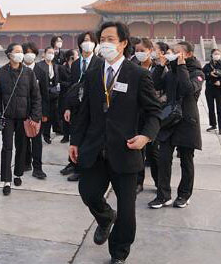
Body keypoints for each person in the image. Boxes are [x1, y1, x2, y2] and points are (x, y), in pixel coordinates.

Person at [69, 22, 161, 264]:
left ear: (123, 43)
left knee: (128, 213)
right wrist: (75, 141)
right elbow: (85, 112)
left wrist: (146, 136)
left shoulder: (138, 75)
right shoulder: (92, 74)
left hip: (125, 150)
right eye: (103, 39)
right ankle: (106, 216)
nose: (105, 44)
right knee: (88, 193)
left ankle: (118, 254)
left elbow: (154, 112)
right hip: (95, 149)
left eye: (111, 39)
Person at [149, 41, 204, 209]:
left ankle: (184, 195)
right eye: (172, 51)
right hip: (169, 120)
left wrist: (181, 67)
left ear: (187, 54)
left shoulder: (197, 72)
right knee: (164, 158)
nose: (172, 53)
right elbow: (154, 84)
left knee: (186, 160)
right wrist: (160, 66)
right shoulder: (170, 72)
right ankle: (163, 195)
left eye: (176, 51)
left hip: (187, 120)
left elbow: (188, 89)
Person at [0, 43, 42, 195]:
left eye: (22, 52)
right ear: (9, 54)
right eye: (18, 51)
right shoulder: (0, 72)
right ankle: (6, 180)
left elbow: (36, 96)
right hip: (7, 118)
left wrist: (35, 116)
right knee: (7, 147)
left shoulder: (28, 73)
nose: (21, 54)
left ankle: (18, 173)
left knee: (22, 146)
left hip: (23, 117)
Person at [62, 31, 103, 182]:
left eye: (90, 40)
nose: (87, 43)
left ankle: (86, 167)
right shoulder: (75, 65)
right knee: (76, 135)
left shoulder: (99, 63)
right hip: (76, 106)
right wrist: (67, 107)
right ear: (79, 44)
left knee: (89, 137)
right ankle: (75, 165)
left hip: (92, 106)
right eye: (85, 40)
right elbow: (70, 88)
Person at [133, 38, 160, 194]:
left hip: (152, 116)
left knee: (154, 153)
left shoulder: (159, 68)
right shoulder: (133, 68)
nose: (139, 53)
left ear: (150, 50)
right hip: (136, 115)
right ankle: (138, 182)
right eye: (137, 50)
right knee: (138, 152)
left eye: (142, 50)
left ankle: (158, 182)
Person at [23, 42, 49, 179]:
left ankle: (37, 167)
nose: (29, 54)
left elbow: (45, 95)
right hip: (21, 111)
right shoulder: (19, 69)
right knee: (23, 140)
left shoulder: (41, 71)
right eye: (26, 51)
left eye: (31, 52)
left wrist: (44, 114)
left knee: (36, 141)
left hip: (36, 112)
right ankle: (26, 163)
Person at [38, 46, 62, 144]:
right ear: (44, 53)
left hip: (54, 95)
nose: (51, 54)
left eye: (53, 53)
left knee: (52, 115)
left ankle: (47, 134)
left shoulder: (55, 66)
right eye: (49, 52)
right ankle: (43, 134)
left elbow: (57, 80)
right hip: (43, 94)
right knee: (44, 116)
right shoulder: (39, 65)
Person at [203, 49, 221, 135]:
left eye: (218, 54)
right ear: (211, 55)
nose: (217, 55)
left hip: (219, 90)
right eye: (215, 54)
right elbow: (202, 75)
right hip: (209, 90)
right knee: (211, 109)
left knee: (220, 109)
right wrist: (209, 74)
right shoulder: (207, 66)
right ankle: (213, 124)